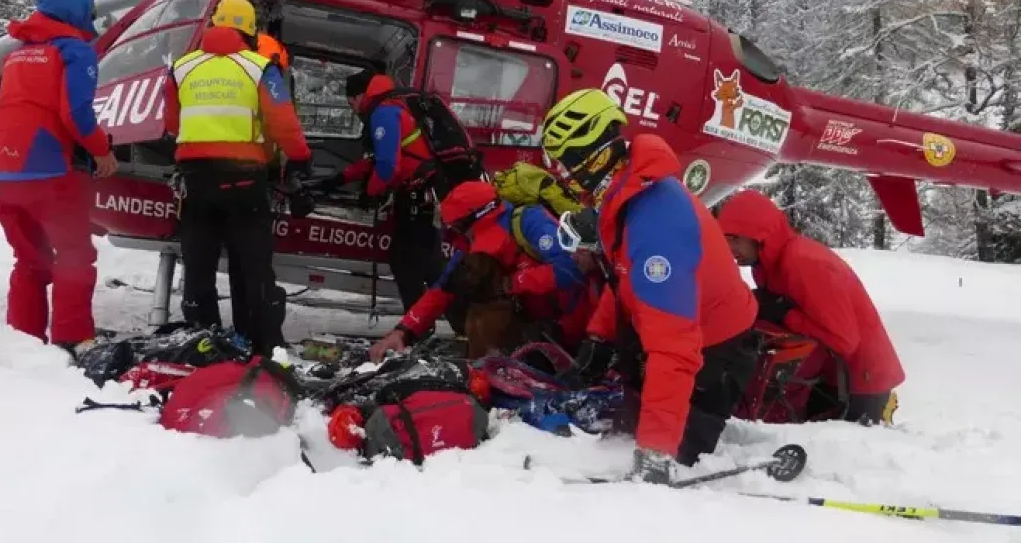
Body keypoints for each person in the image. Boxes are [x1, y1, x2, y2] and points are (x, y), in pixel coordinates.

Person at [541, 88, 757, 483]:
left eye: (563, 161)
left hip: (716, 346)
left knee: (671, 445)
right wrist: (598, 338)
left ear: (590, 157)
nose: (559, 173)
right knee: (624, 417)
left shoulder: (656, 223)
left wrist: (656, 453)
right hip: (676, 329)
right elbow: (624, 275)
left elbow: (675, 347)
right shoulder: (624, 193)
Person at [163, 0, 312, 354]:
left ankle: (202, 342)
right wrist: (301, 160)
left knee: (199, 266)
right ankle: (259, 345)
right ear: (249, 31)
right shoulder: (260, 67)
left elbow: (171, 124)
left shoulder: (181, 68)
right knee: (252, 268)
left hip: (196, 182)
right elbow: (284, 125)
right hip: (245, 181)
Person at [0, 0, 119, 358]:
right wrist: (101, 151)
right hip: (50, 173)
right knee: (74, 255)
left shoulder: (16, 54)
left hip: (2, 173)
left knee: (29, 260)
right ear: (78, 9)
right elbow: (75, 112)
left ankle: (23, 342)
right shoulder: (73, 51)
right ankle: (72, 340)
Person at [716, 189, 904, 424]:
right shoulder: (766, 265)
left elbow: (844, 340)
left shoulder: (802, 262)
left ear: (760, 236)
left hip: (861, 382)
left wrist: (785, 314)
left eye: (736, 239)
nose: (731, 250)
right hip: (827, 376)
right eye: (725, 239)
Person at [369, 180, 598, 361]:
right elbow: (443, 288)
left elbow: (574, 268)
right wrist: (403, 331)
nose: (456, 234)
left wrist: (513, 284)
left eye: (457, 227)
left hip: (578, 329)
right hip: (534, 330)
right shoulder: (472, 245)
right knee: (469, 295)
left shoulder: (530, 222)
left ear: (472, 222)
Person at [312, 69, 474, 312]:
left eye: (350, 103)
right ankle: (445, 320)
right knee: (421, 263)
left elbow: (387, 167)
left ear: (360, 96)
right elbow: (376, 160)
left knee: (411, 263)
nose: (353, 110)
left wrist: (371, 191)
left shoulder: (384, 112)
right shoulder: (392, 107)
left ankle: (437, 321)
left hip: (417, 199)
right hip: (421, 198)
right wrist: (338, 179)